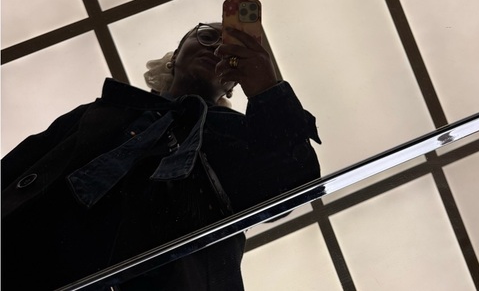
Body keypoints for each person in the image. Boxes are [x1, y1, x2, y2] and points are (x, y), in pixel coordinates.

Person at [1, 22, 321, 290]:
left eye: (228, 47)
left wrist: (266, 89)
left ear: (232, 85)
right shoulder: (105, 110)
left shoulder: (242, 134)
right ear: (175, 57)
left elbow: (289, 188)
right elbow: (19, 166)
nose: (216, 48)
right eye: (206, 36)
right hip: (28, 259)